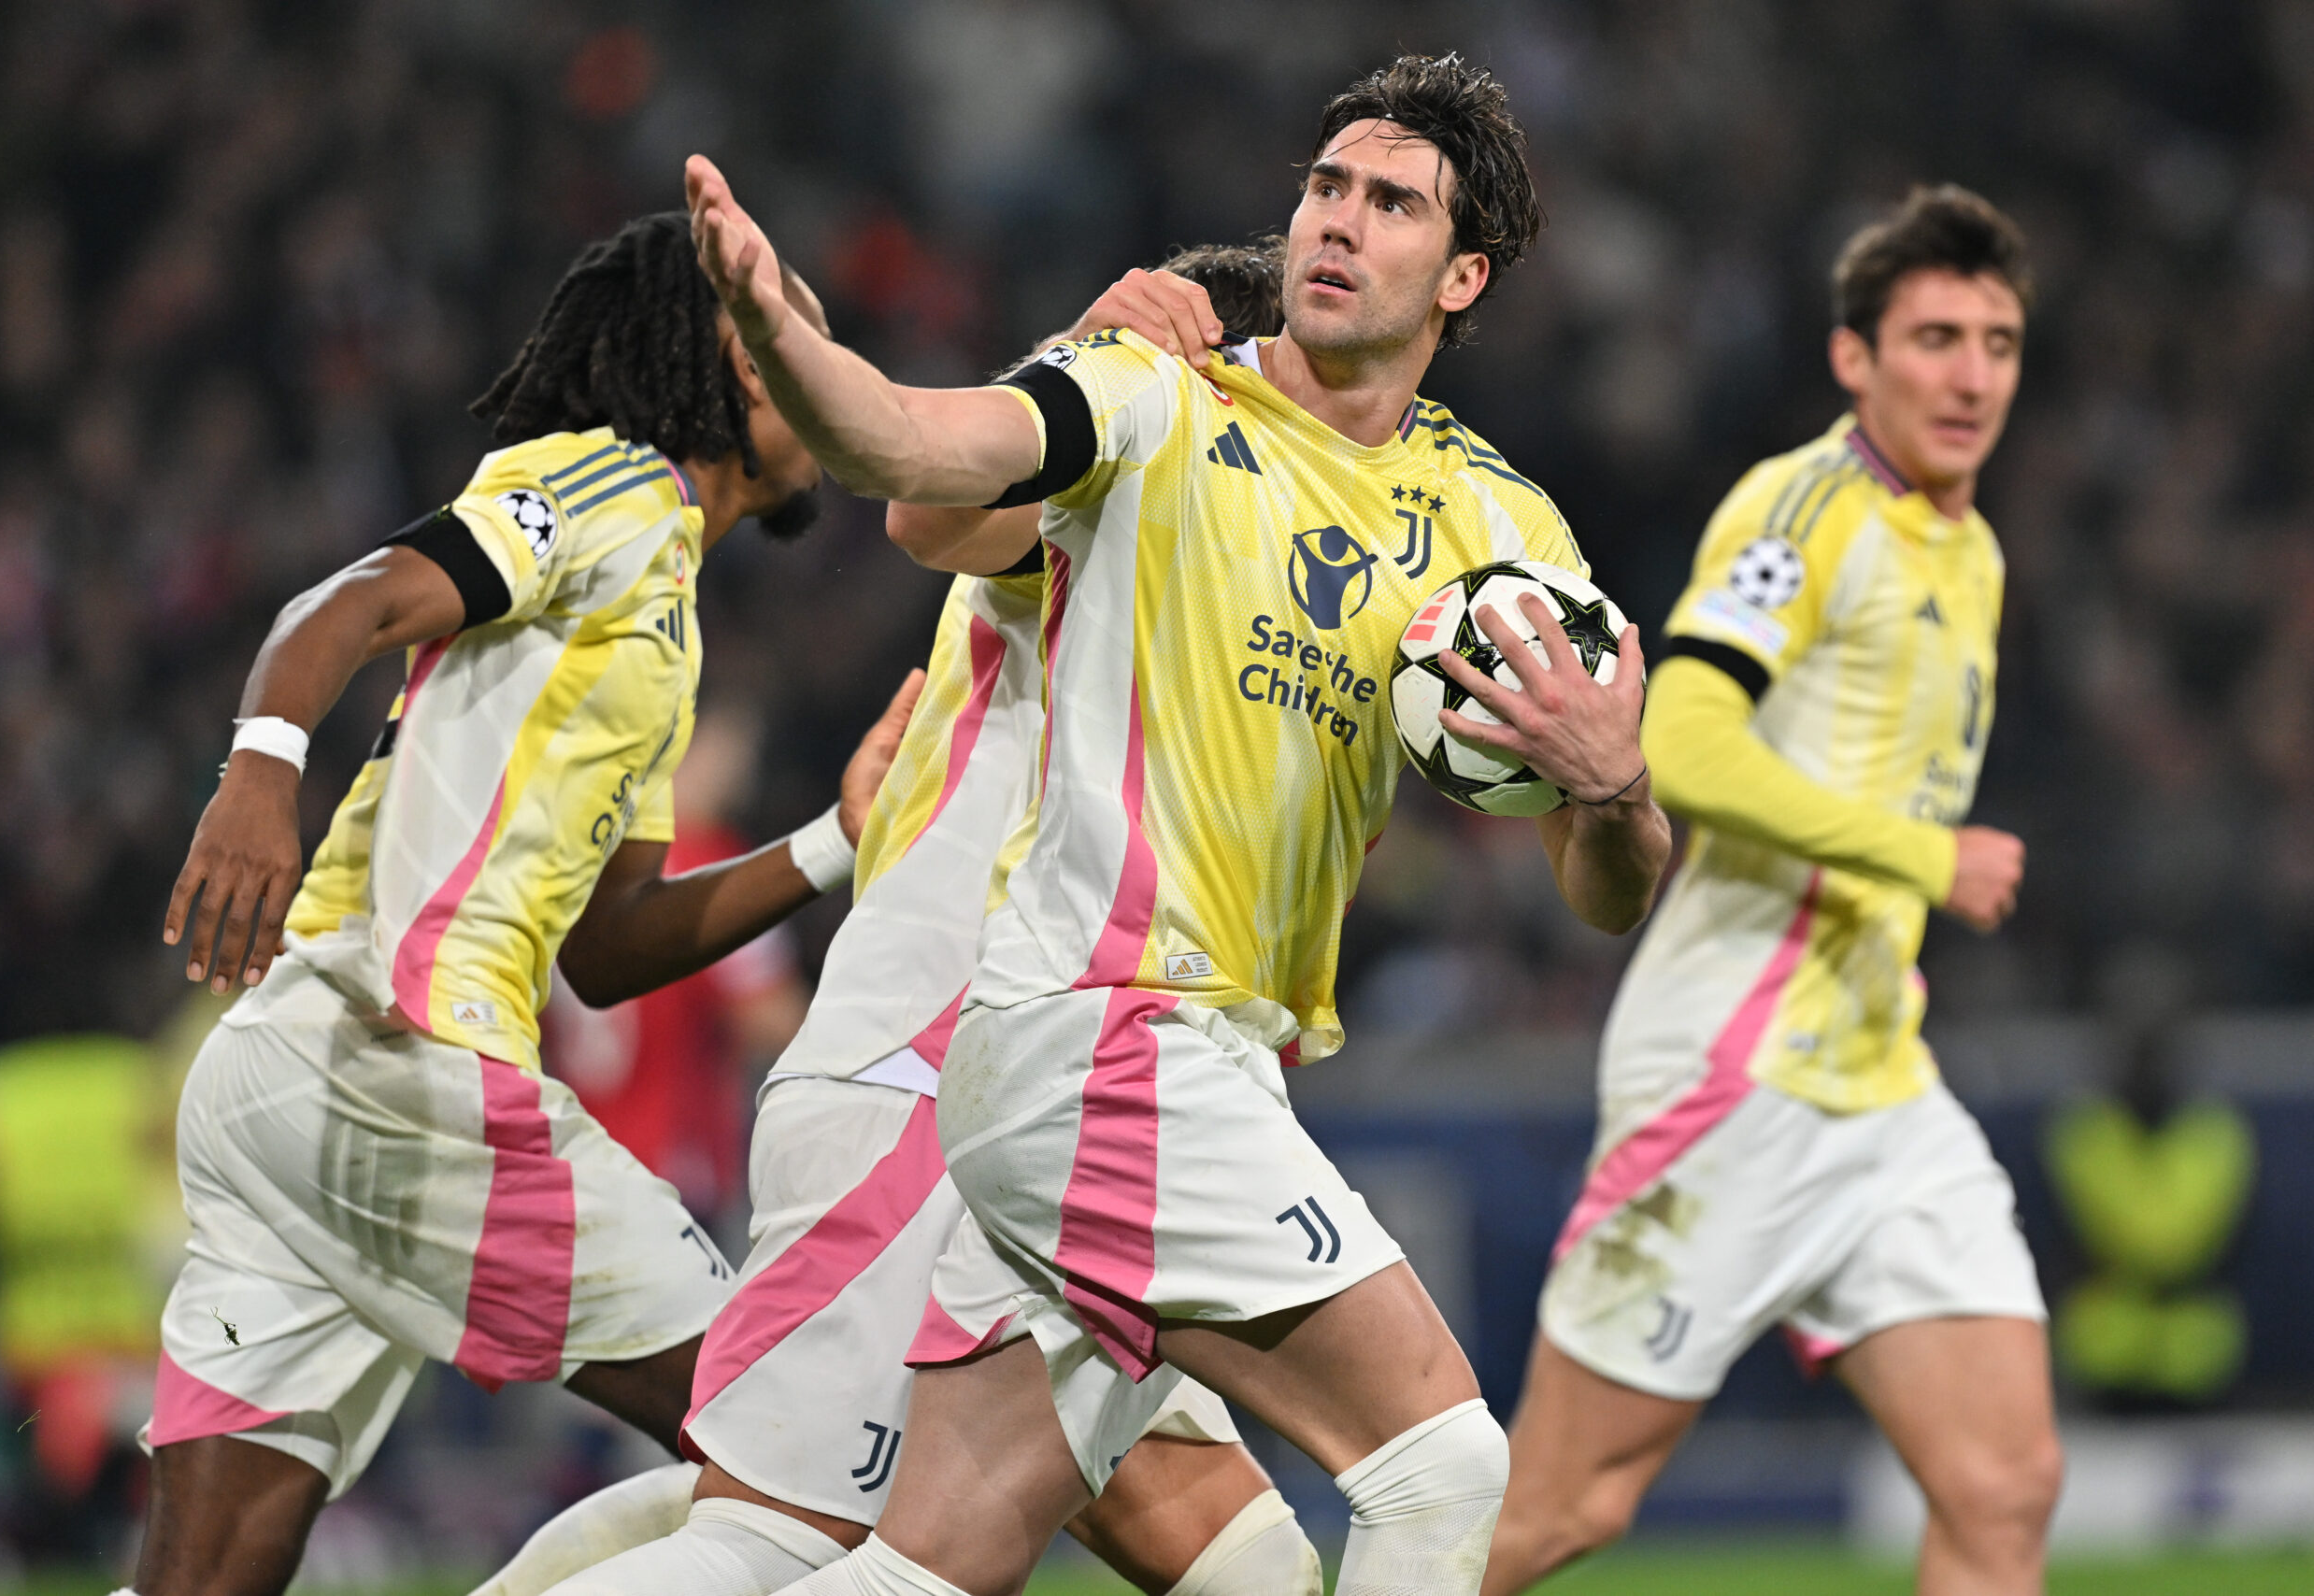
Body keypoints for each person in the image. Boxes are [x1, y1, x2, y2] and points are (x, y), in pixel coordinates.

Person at [688, 53, 1672, 1596]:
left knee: (940, 1570)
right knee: (1445, 1466)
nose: (1339, 222)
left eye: (1392, 203)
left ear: (1461, 272)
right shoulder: (1156, 390)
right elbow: (917, 456)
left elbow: (1609, 890)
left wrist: (1615, 785)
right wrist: (785, 337)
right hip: (1107, 1036)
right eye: (1327, 187)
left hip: (1172, 1067)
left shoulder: (1498, 533)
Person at [476, 241, 1323, 1596]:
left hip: (1082, 1132)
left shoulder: (1253, 584)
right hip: (935, 1096)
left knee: (1252, 1569)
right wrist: (1078, 349)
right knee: (776, 1539)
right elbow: (934, 501)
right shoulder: (1116, 494)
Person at [131, 211, 921, 1596]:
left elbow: (611, 951)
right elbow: (360, 594)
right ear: (732, 365)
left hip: (285, 1079)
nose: (824, 360)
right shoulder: (609, 491)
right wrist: (259, 775)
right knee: (792, 1452)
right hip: (407, 1062)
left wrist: (833, 842)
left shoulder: (664, 618)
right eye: (795, 327)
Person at [1485, 186, 2062, 1596]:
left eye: (1997, 339)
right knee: (1559, 1513)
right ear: (1854, 359)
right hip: (1733, 1073)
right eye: (1935, 335)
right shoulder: (1805, 509)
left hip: (1877, 1080)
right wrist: (1926, 857)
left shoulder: (1970, 549)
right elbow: (1680, 739)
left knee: (2002, 1486)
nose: (1972, 371)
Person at [539, 713, 812, 1231]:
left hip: (577, 1161)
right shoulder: (710, 865)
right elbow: (777, 1023)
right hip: (673, 1172)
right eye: (727, 750)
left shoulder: (572, 862)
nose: (739, 772)